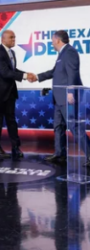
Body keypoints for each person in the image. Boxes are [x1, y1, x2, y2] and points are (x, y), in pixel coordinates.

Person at [29, 30, 90, 167]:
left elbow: (72, 73)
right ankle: (60, 154)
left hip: (67, 97)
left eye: (52, 41)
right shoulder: (61, 54)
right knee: (58, 126)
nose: (51, 43)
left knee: (74, 127)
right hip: (58, 98)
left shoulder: (70, 52)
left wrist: (70, 92)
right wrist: (37, 77)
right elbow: (54, 72)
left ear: (57, 40)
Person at [0, 30, 35, 160]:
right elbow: (5, 73)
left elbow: (13, 70)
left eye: (14, 37)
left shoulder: (12, 52)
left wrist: (27, 74)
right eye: (11, 37)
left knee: (11, 121)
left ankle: (15, 148)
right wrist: (24, 76)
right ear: (3, 39)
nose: (14, 39)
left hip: (9, 93)